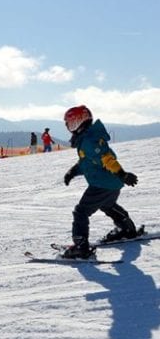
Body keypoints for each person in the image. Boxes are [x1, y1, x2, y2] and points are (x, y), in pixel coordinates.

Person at [61, 105, 139, 259]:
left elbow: (107, 159)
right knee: (107, 205)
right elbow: (88, 162)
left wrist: (122, 174)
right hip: (112, 183)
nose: (69, 128)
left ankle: (80, 246)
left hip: (102, 184)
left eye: (70, 123)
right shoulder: (88, 138)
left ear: (78, 122)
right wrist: (73, 172)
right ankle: (127, 229)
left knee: (81, 212)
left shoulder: (90, 141)